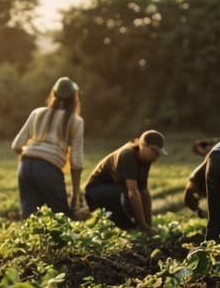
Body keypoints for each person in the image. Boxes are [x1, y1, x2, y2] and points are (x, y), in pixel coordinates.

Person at [11, 76, 85, 218]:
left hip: (25, 165)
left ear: (54, 94)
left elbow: (16, 146)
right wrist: (75, 195)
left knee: (30, 218)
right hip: (48, 169)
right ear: (74, 98)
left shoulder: (37, 113)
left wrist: (30, 162)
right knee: (60, 218)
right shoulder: (76, 121)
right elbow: (76, 162)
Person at [84, 130, 166, 233]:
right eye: (153, 151)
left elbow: (144, 191)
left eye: (158, 153)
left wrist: (149, 225)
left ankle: (131, 226)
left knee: (131, 203)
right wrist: (142, 225)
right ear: (142, 146)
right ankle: (124, 226)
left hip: (115, 190)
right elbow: (133, 193)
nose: (156, 156)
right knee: (128, 202)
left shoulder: (146, 160)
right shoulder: (128, 155)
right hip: (95, 193)